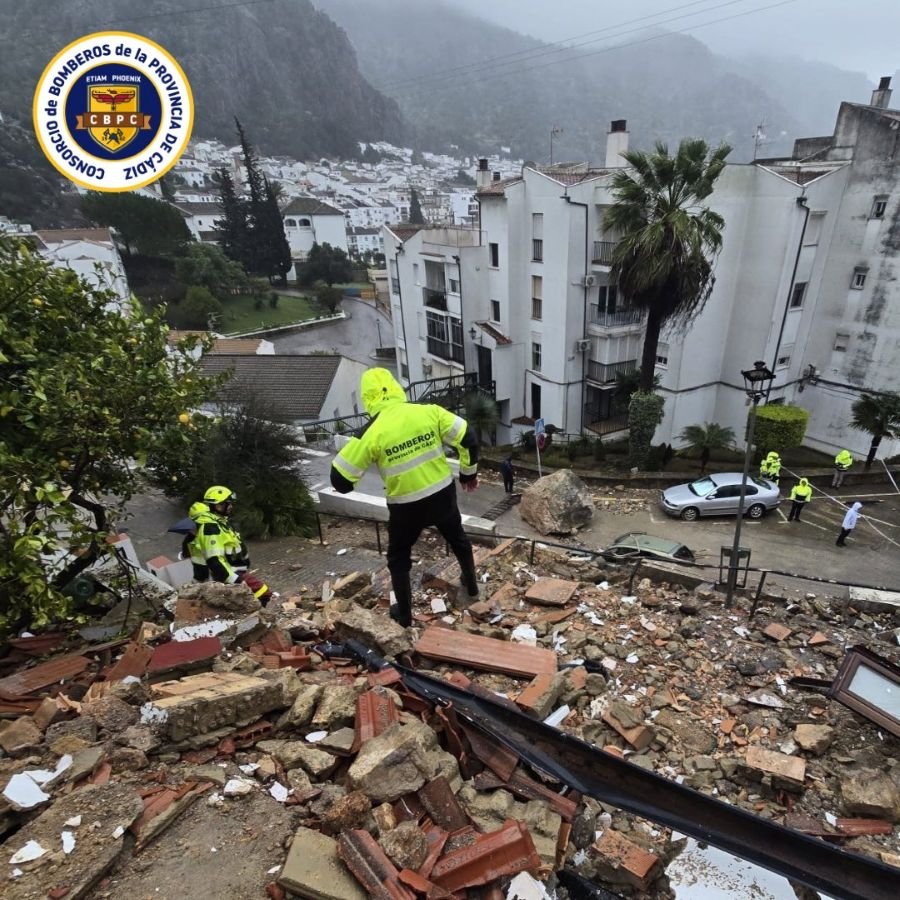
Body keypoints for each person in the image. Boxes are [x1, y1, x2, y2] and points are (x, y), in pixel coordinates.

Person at [330, 367, 480, 627]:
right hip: (442, 495)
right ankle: (472, 585)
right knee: (458, 538)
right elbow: (468, 436)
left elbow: (340, 480)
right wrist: (468, 474)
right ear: (397, 388)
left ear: (368, 398)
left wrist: (359, 476)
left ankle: (405, 615)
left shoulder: (370, 432)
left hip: (405, 507)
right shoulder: (428, 411)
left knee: (399, 557)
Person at [188, 486, 274, 604]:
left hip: (235, 571)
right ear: (218, 505)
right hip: (231, 574)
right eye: (227, 504)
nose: (231, 506)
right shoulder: (211, 528)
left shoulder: (219, 522)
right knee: (263, 593)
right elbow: (214, 560)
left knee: (256, 595)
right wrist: (235, 580)